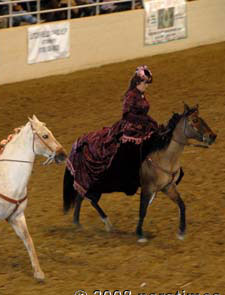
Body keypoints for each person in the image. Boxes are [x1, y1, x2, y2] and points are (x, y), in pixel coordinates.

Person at [67, 65, 158, 197]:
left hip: (141, 126)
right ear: (138, 82)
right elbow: (126, 115)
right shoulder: (131, 95)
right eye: (145, 83)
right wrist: (144, 121)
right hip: (129, 127)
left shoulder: (141, 94)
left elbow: (143, 112)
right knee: (131, 149)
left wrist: (151, 121)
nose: (147, 85)